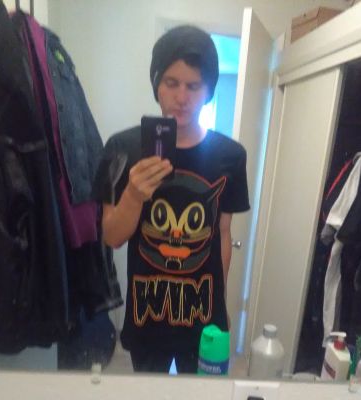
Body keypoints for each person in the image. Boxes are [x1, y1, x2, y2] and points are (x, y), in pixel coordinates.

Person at [93, 25, 250, 373]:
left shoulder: (230, 155)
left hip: (203, 315)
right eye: (171, 82)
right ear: (156, 84)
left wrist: (219, 305)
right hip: (147, 314)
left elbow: (222, 234)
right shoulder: (121, 149)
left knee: (202, 395)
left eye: (193, 86)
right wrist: (134, 194)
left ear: (208, 90)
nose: (182, 97)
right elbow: (111, 237)